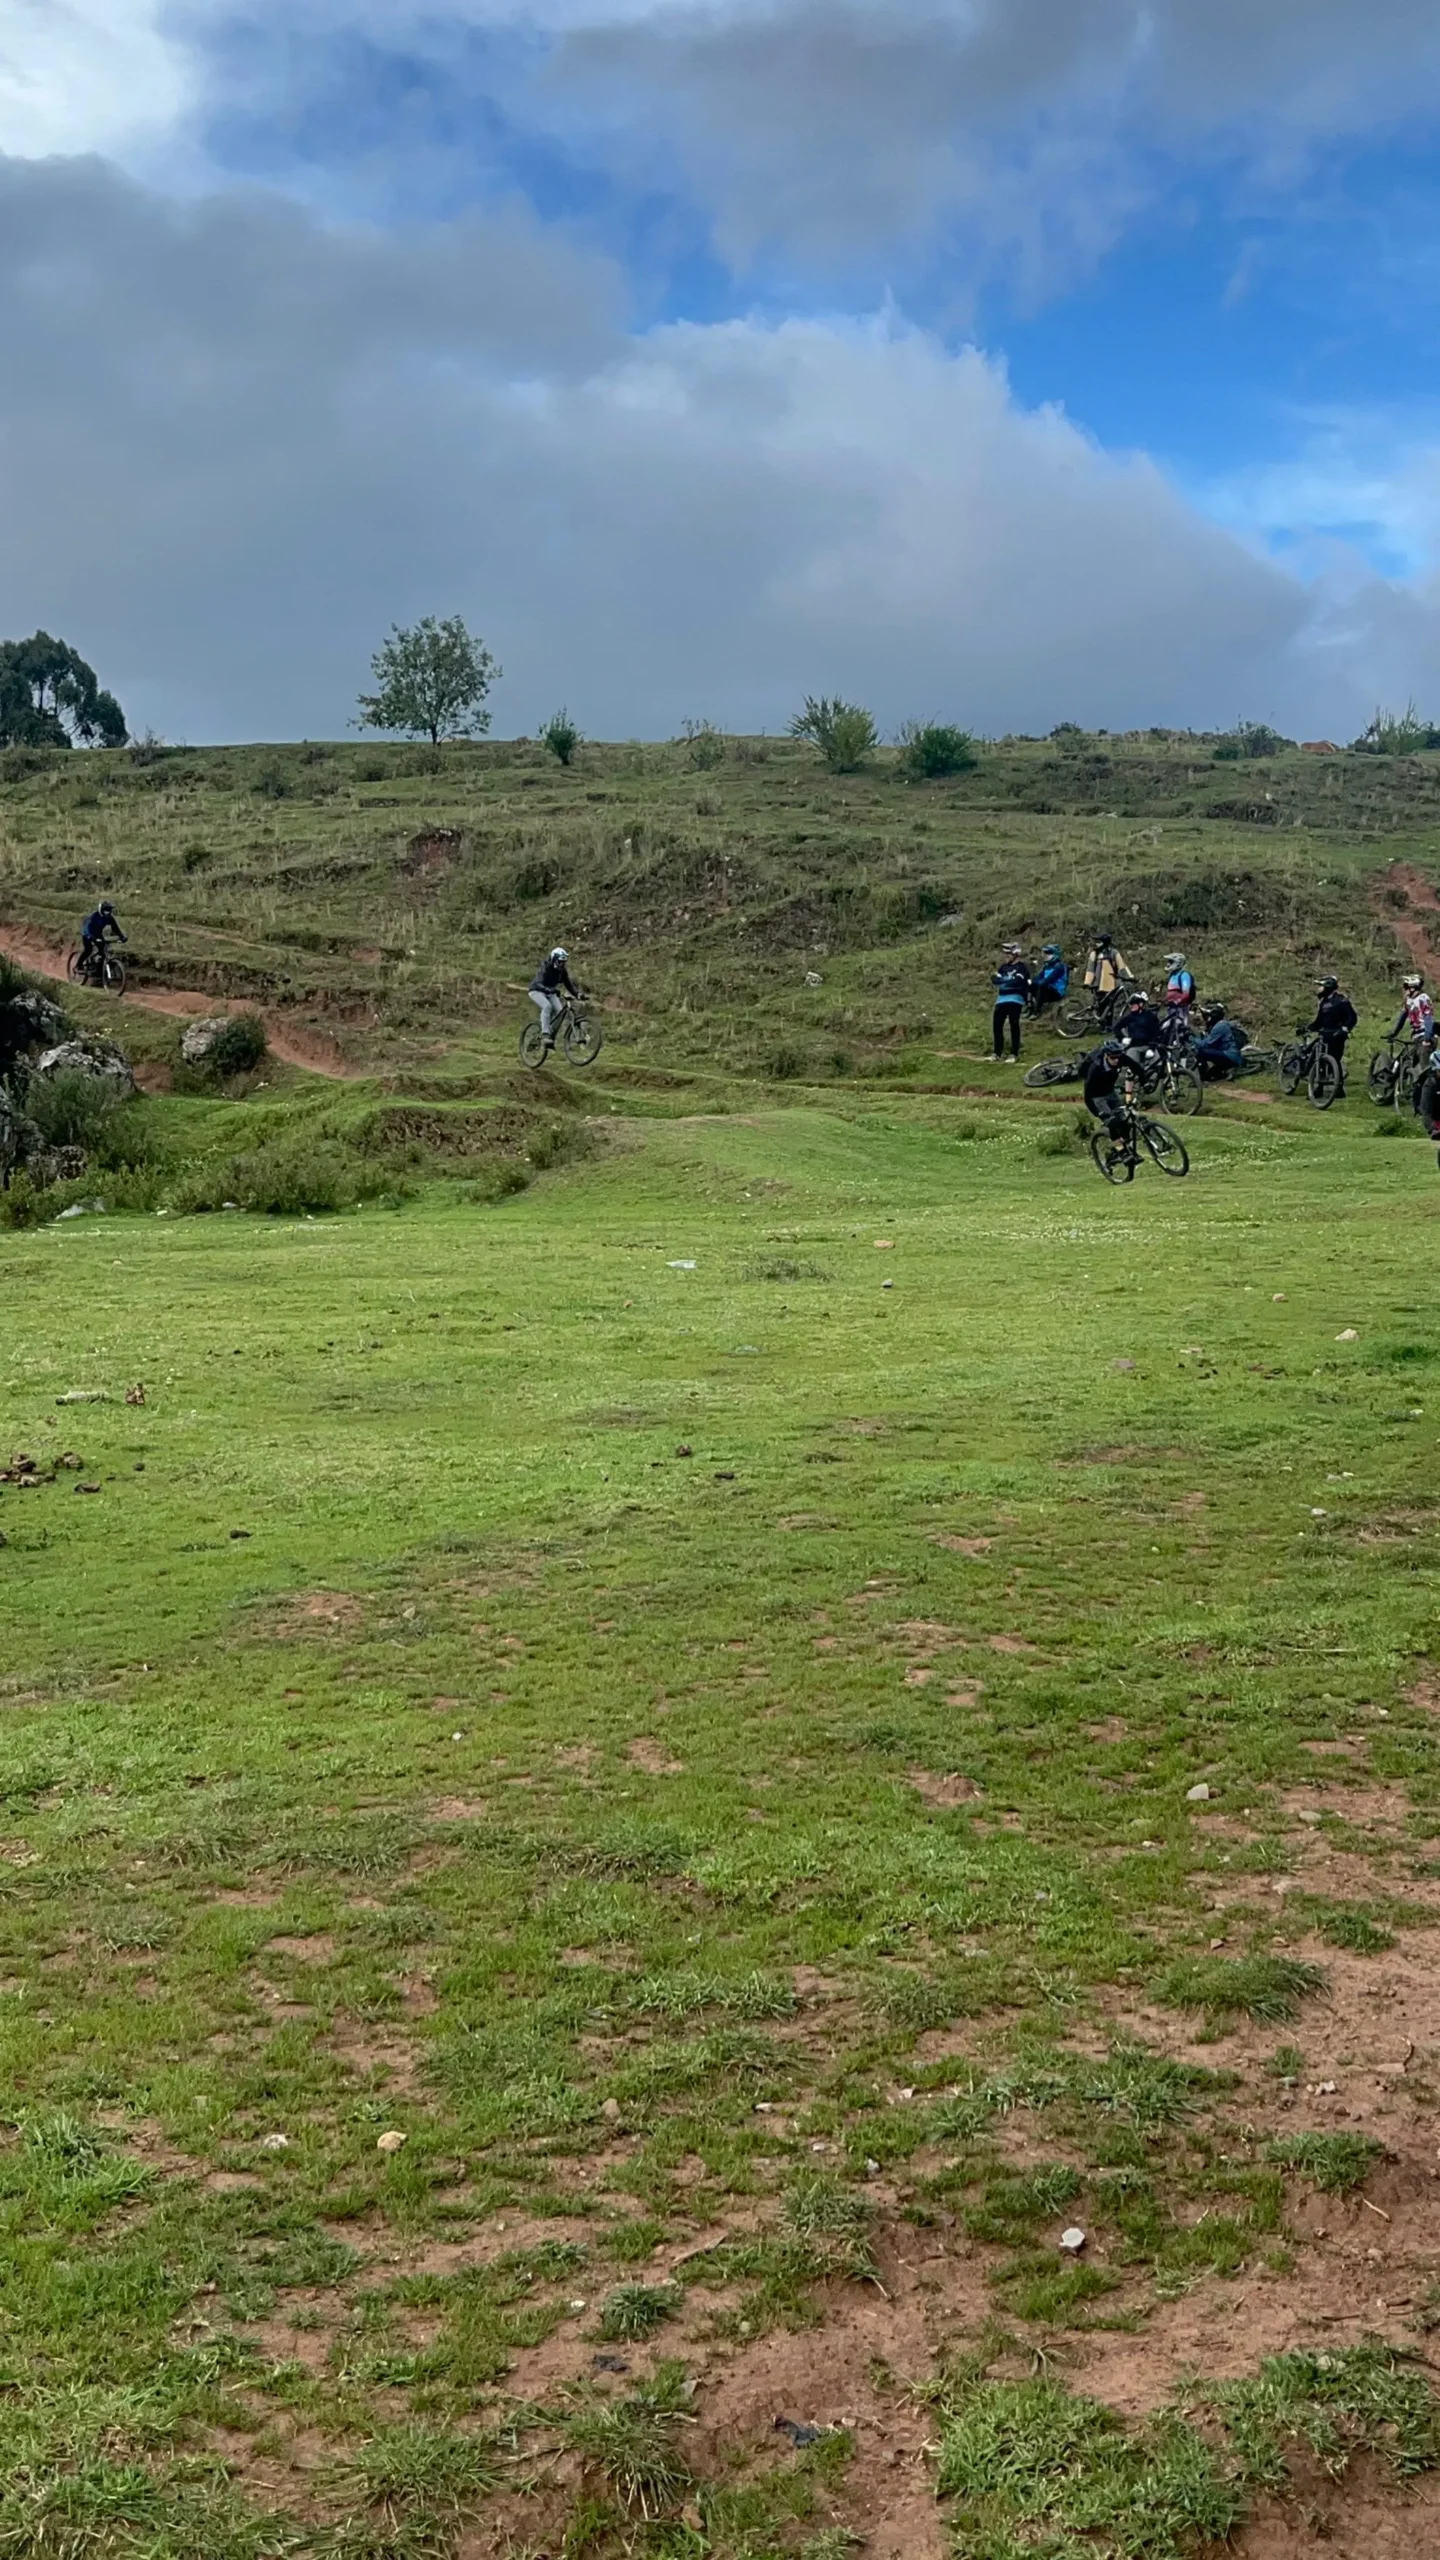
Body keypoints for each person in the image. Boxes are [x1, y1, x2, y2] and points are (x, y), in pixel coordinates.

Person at [1307, 975, 1358, 1089]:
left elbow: (1352, 1017)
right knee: (1318, 1059)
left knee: (1334, 1060)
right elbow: (1319, 1020)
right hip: (1325, 1034)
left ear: (1328, 987)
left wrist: (1345, 1028)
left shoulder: (1341, 1001)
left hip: (1337, 1036)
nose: (1319, 989)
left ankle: (1338, 1088)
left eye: (1321, 986)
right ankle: (1318, 1087)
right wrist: (1309, 1028)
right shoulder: (1324, 1002)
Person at [1082, 1034, 1132, 1146]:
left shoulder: (1119, 1061)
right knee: (1112, 1123)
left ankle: (1126, 1145)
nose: (1116, 1060)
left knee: (1124, 1121)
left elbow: (1135, 1069)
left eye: (1118, 1057)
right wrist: (1098, 1112)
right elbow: (1087, 1095)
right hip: (1096, 1098)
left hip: (1110, 1093)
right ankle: (1118, 1150)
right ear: (1106, 1056)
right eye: (1113, 1058)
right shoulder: (1095, 1069)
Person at [529, 944, 579, 1052]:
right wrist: (548, 990)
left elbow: (568, 985)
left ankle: (551, 1036)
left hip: (550, 992)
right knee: (547, 1006)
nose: (562, 964)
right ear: (554, 959)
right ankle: (545, 1034)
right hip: (536, 991)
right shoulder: (545, 968)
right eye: (560, 961)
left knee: (560, 1012)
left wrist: (577, 994)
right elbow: (538, 983)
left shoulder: (562, 971)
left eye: (564, 962)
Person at [992, 943, 1031, 1060]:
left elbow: (1017, 981)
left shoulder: (1022, 967)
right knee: (997, 1025)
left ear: (1015, 954)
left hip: (1015, 999)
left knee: (1014, 1025)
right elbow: (994, 979)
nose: (1006, 956)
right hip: (1001, 999)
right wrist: (1007, 981)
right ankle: (997, 1053)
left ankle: (1014, 1053)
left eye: (1008, 954)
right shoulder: (1003, 967)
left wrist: (1003, 981)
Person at [1195, 1001, 1249, 1081]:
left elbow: (1207, 1044)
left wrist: (1193, 1040)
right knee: (1210, 1076)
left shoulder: (1220, 1026)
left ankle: (1202, 1080)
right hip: (1227, 1054)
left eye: (1207, 1016)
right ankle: (1221, 1072)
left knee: (1201, 1052)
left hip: (1229, 1055)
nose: (1205, 1018)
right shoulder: (1217, 1025)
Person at [1084, 933, 1132, 1018]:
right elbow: (1090, 969)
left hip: (1111, 983)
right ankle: (1100, 1022)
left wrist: (1129, 977)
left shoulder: (1113, 952)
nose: (1096, 944)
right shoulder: (1095, 953)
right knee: (1100, 1004)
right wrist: (1088, 982)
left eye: (1099, 942)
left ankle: (1107, 1024)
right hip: (1097, 984)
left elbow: (1122, 966)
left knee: (1110, 1004)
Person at [1389, 972, 1436, 1053]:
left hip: (1425, 1036)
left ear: (1413, 988)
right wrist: (1393, 1033)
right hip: (1416, 1036)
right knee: (1407, 1059)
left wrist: (1427, 1039)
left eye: (1406, 987)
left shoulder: (1423, 998)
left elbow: (1428, 1018)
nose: (1404, 989)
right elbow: (1402, 1018)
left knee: (1423, 1063)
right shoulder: (1409, 1000)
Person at [80, 900, 127, 971]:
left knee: (103, 951)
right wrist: (92, 937)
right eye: (106, 910)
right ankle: (78, 965)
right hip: (87, 933)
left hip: (98, 934)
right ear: (101, 909)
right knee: (88, 950)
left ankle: (99, 970)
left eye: (109, 910)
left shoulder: (109, 918)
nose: (108, 912)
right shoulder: (94, 916)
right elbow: (88, 927)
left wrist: (122, 937)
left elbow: (115, 928)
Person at [1162, 952, 1197, 1041]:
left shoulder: (1184, 975)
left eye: (1170, 961)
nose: (1168, 964)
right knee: (1164, 1028)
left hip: (1181, 1009)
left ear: (1178, 963)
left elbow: (1186, 993)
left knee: (1179, 1029)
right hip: (1171, 1009)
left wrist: (1177, 1001)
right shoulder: (1172, 976)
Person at [1030, 943, 1069, 1015]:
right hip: (1048, 989)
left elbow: (1049, 979)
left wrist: (1038, 983)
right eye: (1045, 953)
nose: (1046, 955)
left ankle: (1036, 1012)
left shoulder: (1059, 966)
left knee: (1041, 986)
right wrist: (1031, 982)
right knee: (1030, 984)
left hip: (1057, 992)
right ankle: (1029, 1008)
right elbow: (1039, 977)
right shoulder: (1047, 965)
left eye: (1048, 953)